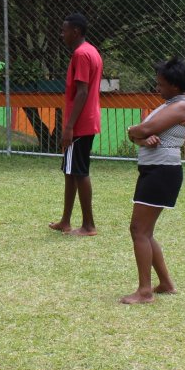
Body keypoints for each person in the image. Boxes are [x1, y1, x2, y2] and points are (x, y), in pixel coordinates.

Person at [121, 57, 185, 304]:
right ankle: (165, 283)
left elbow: (140, 130)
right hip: (154, 170)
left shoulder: (181, 107)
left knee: (138, 230)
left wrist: (137, 132)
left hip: (162, 171)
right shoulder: (167, 106)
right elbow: (140, 135)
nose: (157, 87)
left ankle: (144, 291)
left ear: (175, 85)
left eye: (161, 84)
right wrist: (140, 137)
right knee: (145, 232)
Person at [48, 12, 103, 237]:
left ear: (76, 31)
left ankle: (88, 225)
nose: (62, 34)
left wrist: (69, 127)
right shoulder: (91, 51)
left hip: (80, 124)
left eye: (65, 30)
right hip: (87, 120)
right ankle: (66, 221)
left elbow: (82, 92)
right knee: (70, 171)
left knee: (79, 171)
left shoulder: (81, 54)